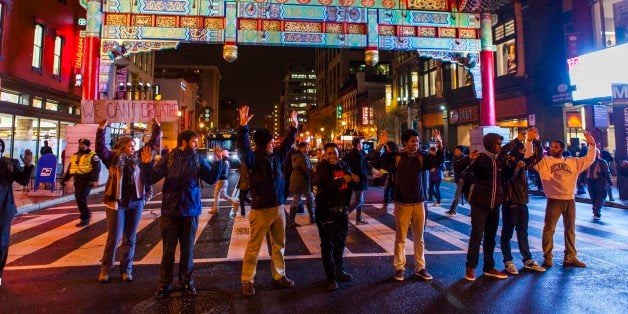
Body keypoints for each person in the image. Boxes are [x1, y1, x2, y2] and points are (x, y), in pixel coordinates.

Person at [141, 130, 225, 299]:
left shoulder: (197, 158)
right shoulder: (169, 158)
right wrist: (146, 164)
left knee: (188, 250)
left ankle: (186, 282)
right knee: (168, 251)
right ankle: (164, 284)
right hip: (170, 212)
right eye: (194, 141)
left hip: (190, 210)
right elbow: (150, 178)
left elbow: (210, 178)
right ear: (184, 142)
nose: (197, 144)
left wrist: (218, 162)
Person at [238, 106, 297, 296]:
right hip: (261, 209)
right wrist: (243, 126)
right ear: (264, 143)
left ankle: (279, 275)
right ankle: (247, 280)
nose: (274, 144)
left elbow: (287, 145)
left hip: (278, 207)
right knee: (254, 247)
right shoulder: (253, 159)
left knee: (279, 245)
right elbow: (243, 148)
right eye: (271, 142)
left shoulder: (275, 157)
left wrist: (293, 129)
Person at [95, 119, 161, 283]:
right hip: (117, 203)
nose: (133, 148)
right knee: (114, 237)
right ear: (123, 145)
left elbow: (152, 144)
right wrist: (101, 128)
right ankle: (105, 269)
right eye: (131, 145)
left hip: (136, 201)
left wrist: (157, 127)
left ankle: (127, 270)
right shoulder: (113, 159)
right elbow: (100, 149)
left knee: (130, 238)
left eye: (134, 146)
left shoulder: (138, 158)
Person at [531, 131, 596, 268]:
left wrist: (591, 143)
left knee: (570, 229)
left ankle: (570, 257)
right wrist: (529, 141)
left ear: (562, 149)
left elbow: (589, 158)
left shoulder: (572, 162)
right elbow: (529, 157)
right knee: (549, 229)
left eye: (556, 147)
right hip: (553, 199)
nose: (552, 149)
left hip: (569, 200)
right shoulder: (544, 162)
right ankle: (548, 257)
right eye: (551, 147)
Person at [387, 129, 442, 282]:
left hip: (419, 203)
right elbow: (380, 162)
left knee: (420, 238)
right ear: (405, 142)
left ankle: (420, 267)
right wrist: (379, 147)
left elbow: (436, 162)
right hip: (402, 203)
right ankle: (399, 267)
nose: (416, 143)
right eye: (412, 141)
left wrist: (440, 145)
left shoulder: (421, 156)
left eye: (417, 141)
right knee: (401, 238)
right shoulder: (397, 157)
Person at [500, 128, 546, 275]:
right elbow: (507, 174)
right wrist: (517, 140)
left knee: (523, 233)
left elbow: (538, 157)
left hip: (522, 203)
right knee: (507, 233)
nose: (522, 151)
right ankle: (508, 261)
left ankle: (528, 260)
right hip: (510, 202)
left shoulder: (522, 163)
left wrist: (536, 140)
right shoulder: (506, 162)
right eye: (520, 149)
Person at [464, 133, 509, 281]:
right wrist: (469, 161)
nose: (500, 147)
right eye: (498, 144)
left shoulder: (500, 160)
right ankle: (470, 267)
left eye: (501, 144)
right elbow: (465, 172)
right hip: (480, 204)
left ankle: (489, 267)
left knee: (491, 237)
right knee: (477, 235)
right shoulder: (482, 159)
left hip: (495, 204)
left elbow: (507, 177)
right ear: (490, 144)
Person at [315, 142, 358, 291]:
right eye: (329, 153)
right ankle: (331, 278)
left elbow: (349, 184)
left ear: (339, 153)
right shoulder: (322, 167)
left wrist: (354, 180)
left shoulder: (344, 165)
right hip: (326, 211)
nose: (332, 156)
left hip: (342, 211)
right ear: (325, 154)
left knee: (340, 243)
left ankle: (339, 271)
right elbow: (327, 186)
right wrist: (343, 179)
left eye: (335, 152)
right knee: (328, 246)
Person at [0, 140, 34, 287]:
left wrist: (27, 165)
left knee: (1, 244)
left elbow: (23, 181)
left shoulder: (9, 163)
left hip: (3, 209)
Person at [61, 138, 101, 227]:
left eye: (82, 144)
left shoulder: (92, 155)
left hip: (87, 180)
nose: (80, 145)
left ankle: (85, 218)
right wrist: (64, 179)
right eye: (79, 144)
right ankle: (86, 216)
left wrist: (94, 180)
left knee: (81, 198)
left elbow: (97, 168)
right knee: (78, 198)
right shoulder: (75, 155)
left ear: (87, 145)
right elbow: (70, 169)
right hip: (78, 179)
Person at [288, 142, 315, 226]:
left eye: (307, 147)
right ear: (301, 148)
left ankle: (311, 218)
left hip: (299, 180)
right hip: (301, 181)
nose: (307, 149)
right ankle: (292, 221)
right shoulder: (301, 157)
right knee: (303, 198)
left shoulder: (298, 156)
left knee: (302, 199)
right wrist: (314, 173)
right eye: (306, 147)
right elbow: (307, 169)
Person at [345, 137, 370, 225]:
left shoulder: (354, 153)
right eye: (361, 143)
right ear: (358, 144)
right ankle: (343, 215)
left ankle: (359, 219)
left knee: (359, 199)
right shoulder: (357, 154)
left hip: (356, 179)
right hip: (359, 180)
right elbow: (360, 168)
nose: (362, 145)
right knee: (359, 200)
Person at [210, 149, 239, 217]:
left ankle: (216, 209)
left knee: (216, 195)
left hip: (221, 180)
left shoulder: (222, 162)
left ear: (223, 156)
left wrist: (215, 180)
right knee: (223, 195)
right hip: (225, 181)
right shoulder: (226, 162)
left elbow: (219, 172)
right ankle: (234, 203)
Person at [585, 149, 612, 220]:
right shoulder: (600, 162)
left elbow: (606, 172)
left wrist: (609, 180)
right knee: (599, 196)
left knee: (597, 196)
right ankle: (596, 210)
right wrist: (610, 181)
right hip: (595, 181)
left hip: (594, 181)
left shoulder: (590, 162)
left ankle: (596, 210)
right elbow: (607, 173)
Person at [448, 145, 469, 215]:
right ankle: (452, 209)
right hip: (458, 180)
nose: (455, 151)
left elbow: (466, 170)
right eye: (455, 150)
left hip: (462, 180)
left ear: (461, 151)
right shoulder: (456, 158)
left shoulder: (465, 158)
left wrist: (462, 178)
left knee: (458, 195)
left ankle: (452, 210)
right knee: (465, 196)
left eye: (457, 150)